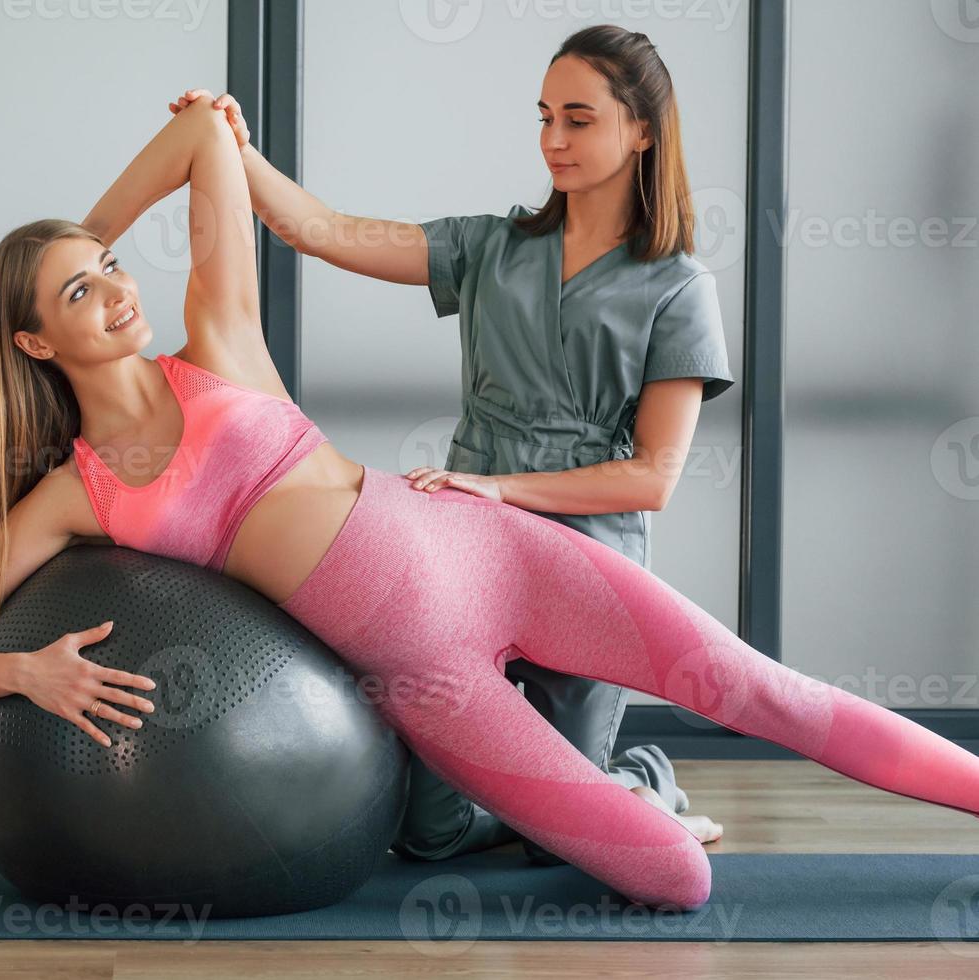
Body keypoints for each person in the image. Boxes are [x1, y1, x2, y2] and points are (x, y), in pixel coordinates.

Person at [0, 87, 979, 914]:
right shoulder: (71, 496)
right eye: (80, 293)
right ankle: (636, 781)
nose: (117, 289)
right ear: (33, 341)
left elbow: (201, 141)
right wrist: (25, 671)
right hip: (427, 680)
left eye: (112, 267)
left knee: (763, 690)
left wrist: (69, 240)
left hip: (492, 549)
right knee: (673, 883)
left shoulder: (219, 343)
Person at [167, 23, 730, 867]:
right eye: (544, 117)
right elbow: (322, 229)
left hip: (587, 568)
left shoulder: (679, 286)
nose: (553, 140)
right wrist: (231, 147)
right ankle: (584, 793)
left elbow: (652, 478)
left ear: (642, 129)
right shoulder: (489, 247)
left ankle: (632, 774)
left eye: (578, 119)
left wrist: (502, 489)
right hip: (460, 559)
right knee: (426, 834)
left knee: (565, 846)